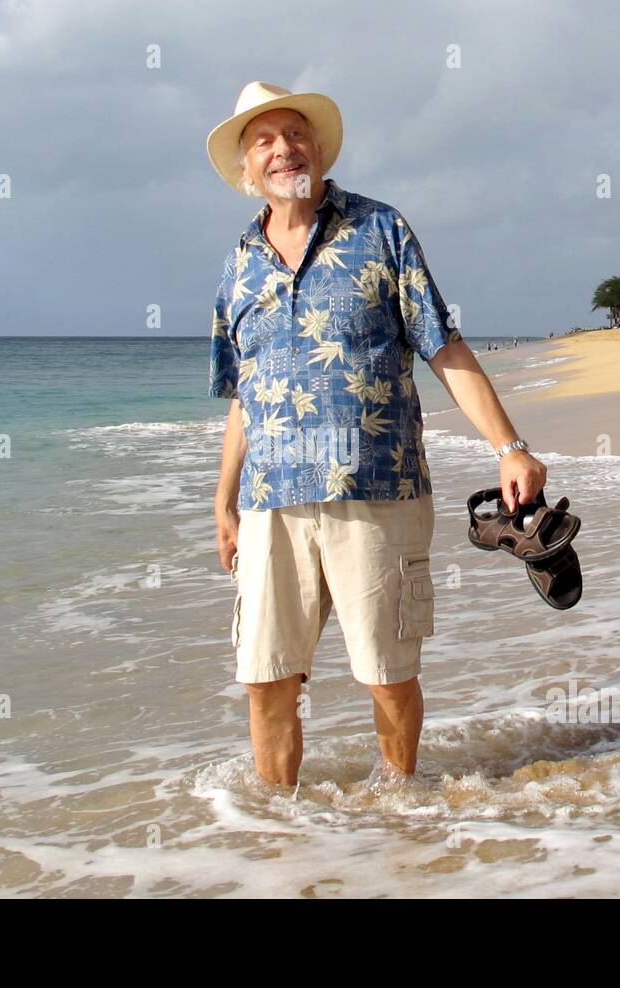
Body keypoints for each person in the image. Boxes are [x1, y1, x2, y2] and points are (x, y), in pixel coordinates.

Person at [205, 82, 547, 788]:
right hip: (273, 500)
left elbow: (442, 346)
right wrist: (224, 499)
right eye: (262, 141)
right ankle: (275, 831)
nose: (282, 149)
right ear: (246, 172)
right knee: (265, 680)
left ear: (320, 148)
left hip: (378, 490)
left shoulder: (380, 230)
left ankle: (400, 810)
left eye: (294, 133)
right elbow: (244, 391)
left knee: (387, 675)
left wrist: (509, 446)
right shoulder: (237, 266)